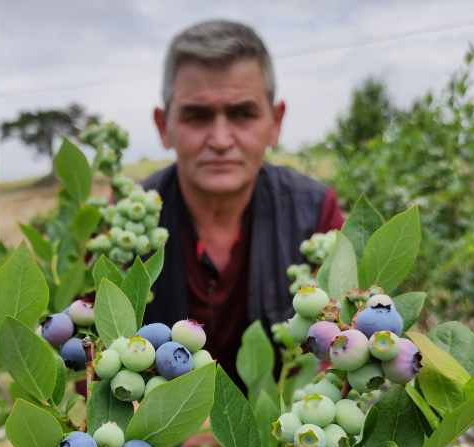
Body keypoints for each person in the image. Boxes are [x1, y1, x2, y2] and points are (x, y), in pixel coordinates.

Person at [141, 20, 344, 388]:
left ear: (275, 122)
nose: (220, 140)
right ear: (163, 125)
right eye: (197, 116)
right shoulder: (126, 221)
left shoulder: (315, 212)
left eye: (242, 114)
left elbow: (341, 353)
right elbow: (92, 359)